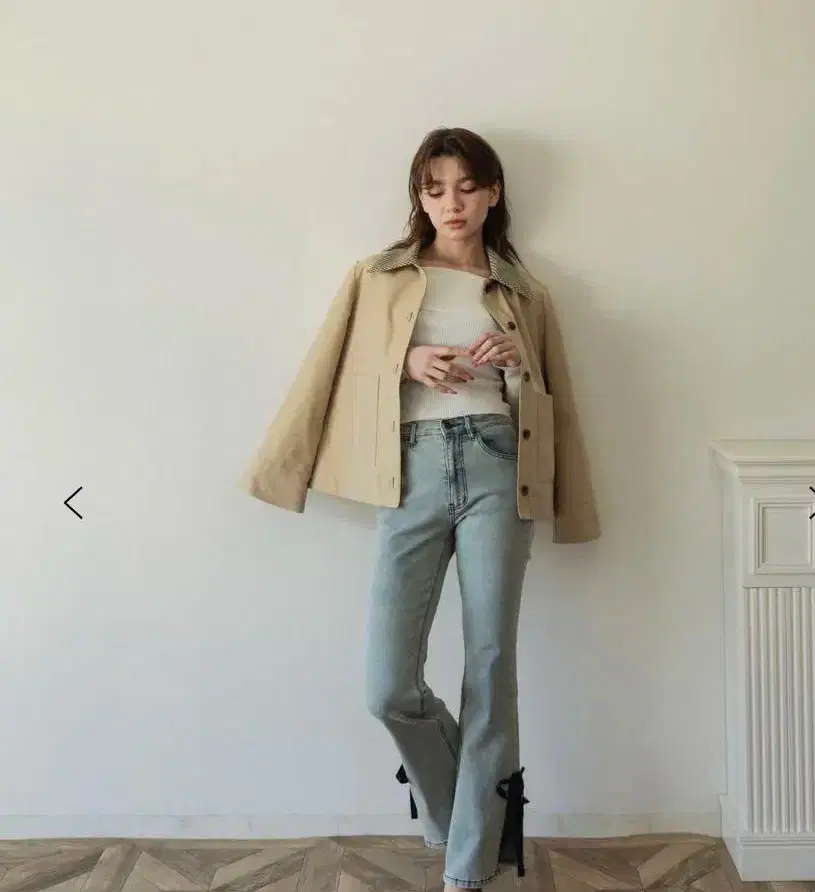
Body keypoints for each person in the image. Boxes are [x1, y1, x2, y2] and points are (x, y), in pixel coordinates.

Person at [240, 127, 600, 890]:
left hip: (498, 466)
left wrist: (513, 370)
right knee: (387, 686)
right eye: (434, 189)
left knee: (490, 666)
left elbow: (552, 403)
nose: (451, 203)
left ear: (493, 193)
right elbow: (333, 368)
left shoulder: (525, 292)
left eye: (466, 187)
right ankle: (470, 812)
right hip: (410, 472)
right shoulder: (378, 277)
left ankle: (468, 869)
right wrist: (404, 361)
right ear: (419, 198)